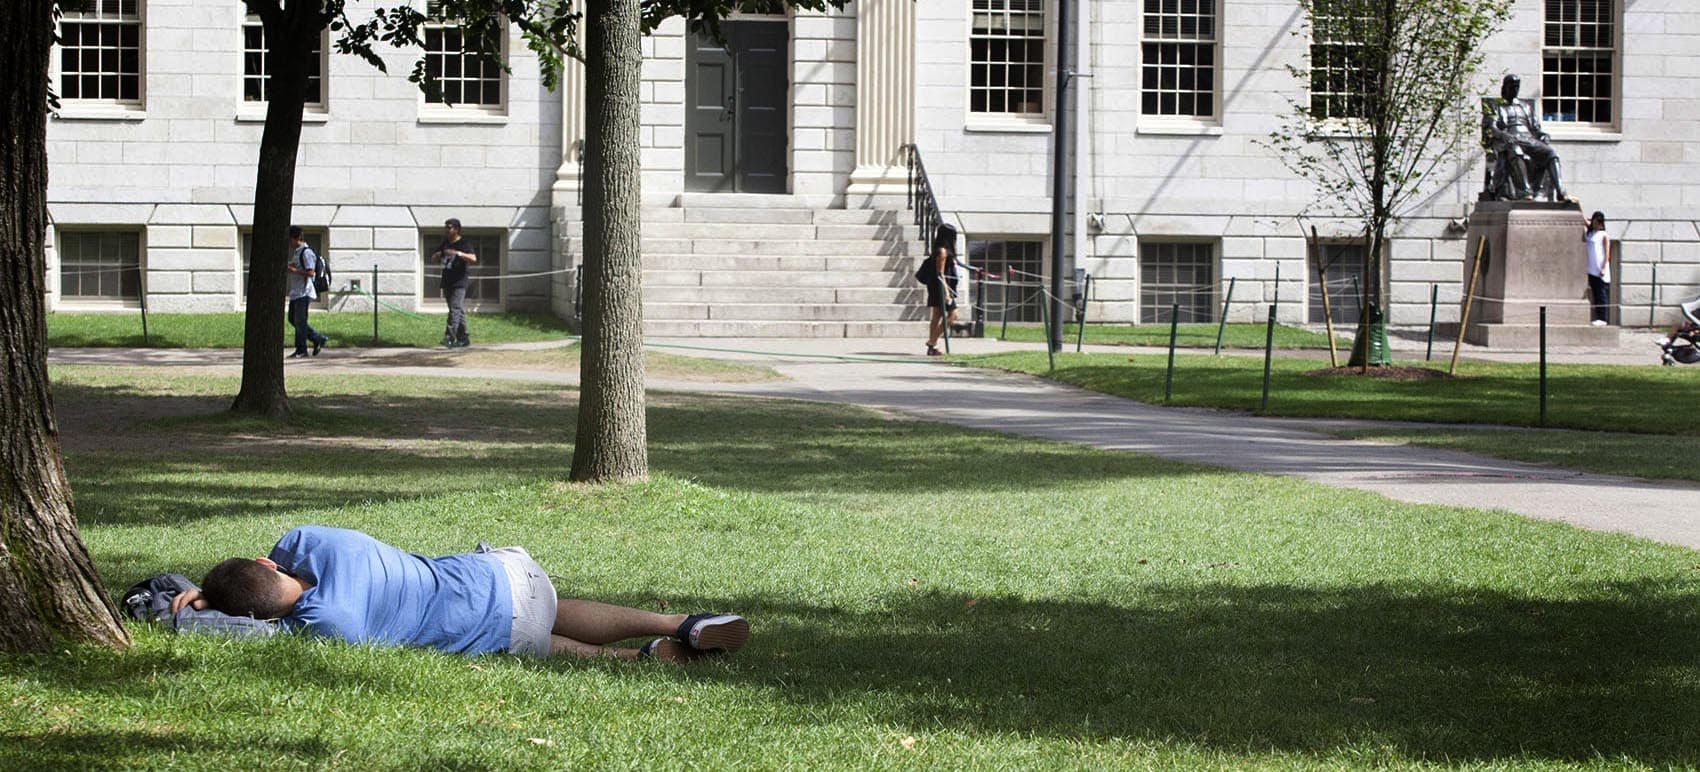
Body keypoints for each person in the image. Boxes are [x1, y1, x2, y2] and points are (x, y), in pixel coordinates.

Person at [171, 525, 749, 663]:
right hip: (508, 574)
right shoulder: (309, 541)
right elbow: (275, 570)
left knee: (543, 639)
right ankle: (678, 622)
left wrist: (205, 603)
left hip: (501, 630)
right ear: (267, 561)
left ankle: (637, 660)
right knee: (555, 608)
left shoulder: (327, 627)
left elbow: (262, 621)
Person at [1483, 74, 1568, 202]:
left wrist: (1542, 135)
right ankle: (1525, 192)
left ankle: (1560, 192)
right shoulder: (1497, 107)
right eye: (1511, 86)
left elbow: (1536, 129)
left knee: (1551, 153)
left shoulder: (1526, 107)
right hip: (1511, 139)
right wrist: (1502, 134)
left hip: (1529, 139)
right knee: (1515, 150)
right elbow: (1492, 128)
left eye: (1517, 86)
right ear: (1504, 88)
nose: (1514, 89)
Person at [431, 218, 478, 348]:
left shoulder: (464, 243)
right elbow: (433, 258)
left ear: (456, 229)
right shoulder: (444, 243)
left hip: (460, 281)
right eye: (446, 227)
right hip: (447, 281)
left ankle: (449, 337)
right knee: (457, 310)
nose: (447, 229)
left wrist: (457, 253)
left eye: (449, 227)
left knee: (455, 310)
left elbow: (473, 258)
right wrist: (439, 254)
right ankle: (463, 339)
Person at [915, 224, 959, 356]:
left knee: (936, 316)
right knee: (953, 314)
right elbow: (940, 274)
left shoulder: (941, 250)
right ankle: (932, 342)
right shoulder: (942, 252)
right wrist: (946, 293)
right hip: (939, 287)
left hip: (937, 285)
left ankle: (932, 348)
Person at [285, 226, 329, 358]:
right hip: (296, 291)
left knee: (300, 321)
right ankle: (317, 338)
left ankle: (301, 350)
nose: (289, 243)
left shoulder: (306, 252)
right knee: (293, 319)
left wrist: (294, 271)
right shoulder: (297, 252)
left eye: (290, 240)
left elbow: (311, 272)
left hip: (304, 292)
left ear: (297, 238)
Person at [1583, 210, 1611, 326]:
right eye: (1596, 221)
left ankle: (1603, 318)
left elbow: (1607, 252)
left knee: (1601, 294)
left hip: (1600, 268)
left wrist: (1604, 267)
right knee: (1595, 293)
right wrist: (1577, 203)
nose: (1597, 224)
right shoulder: (1590, 233)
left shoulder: (1603, 235)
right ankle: (1598, 318)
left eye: (1599, 222)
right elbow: (1583, 218)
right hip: (1591, 268)